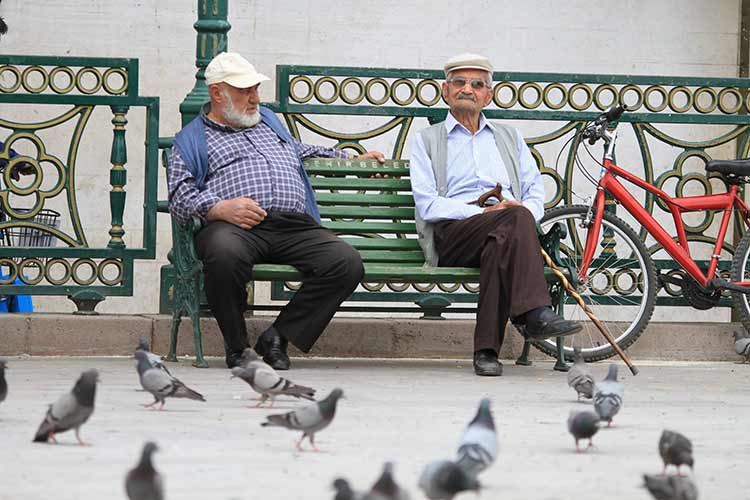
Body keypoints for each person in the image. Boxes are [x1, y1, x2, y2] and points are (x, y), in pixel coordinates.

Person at [168, 52, 385, 370]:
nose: (255, 98)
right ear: (217, 93)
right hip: (236, 228)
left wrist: (348, 158)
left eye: (255, 89)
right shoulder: (191, 141)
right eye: (245, 91)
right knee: (222, 254)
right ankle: (238, 348)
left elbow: (299, 150)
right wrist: (218, 207)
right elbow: (179, 197)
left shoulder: (267, 121)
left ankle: (277, 336)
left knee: (346, 263)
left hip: (293, 225)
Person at [409, 53, 582, 377]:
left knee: (501, 242)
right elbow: (428, 204)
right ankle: (533, 313)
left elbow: (534, 194)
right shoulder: (426, 140)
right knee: (512, 221)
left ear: (488, 94)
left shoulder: (509, 137)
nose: (467, 89)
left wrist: (518, 214)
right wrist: (487, 212)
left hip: (505, 232)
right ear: (445, 91)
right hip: (455, 235)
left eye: (477, 84)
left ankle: (486, 353)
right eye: (458, 82)